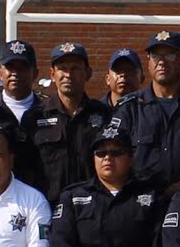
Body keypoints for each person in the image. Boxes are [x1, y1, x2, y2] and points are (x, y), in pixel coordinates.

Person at [113, 30, 180, 189]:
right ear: (148, 63)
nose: (161, 62)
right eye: (155, 56)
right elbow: (112, 156)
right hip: (140, 201)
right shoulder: (129, 108)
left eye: (170, 55)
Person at [26, 42, 115, 202]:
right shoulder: (34, 117)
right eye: (63, 68)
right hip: (47, 207)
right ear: (52, 74)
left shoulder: (105, 115)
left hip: (93, 207)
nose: (68, 74)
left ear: (88, 73)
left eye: (75, 68)